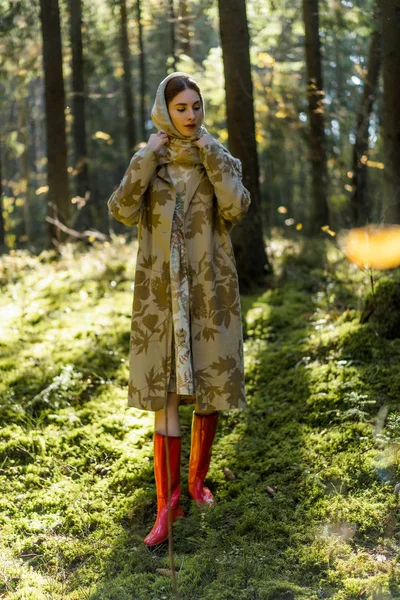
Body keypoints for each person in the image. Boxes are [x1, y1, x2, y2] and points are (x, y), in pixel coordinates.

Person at [107, 72, 251, 546]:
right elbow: (122, 209)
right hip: (162, 293)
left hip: (209, 285)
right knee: (165, 391)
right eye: (181, 108)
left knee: (209, 379)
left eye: (196, 106)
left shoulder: (217, 157)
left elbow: (236, 205)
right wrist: (147, 156)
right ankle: (168, 505)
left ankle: (196, 483)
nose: (190, 116)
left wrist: (211, 151)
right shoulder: (149, 161)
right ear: (165, 111)